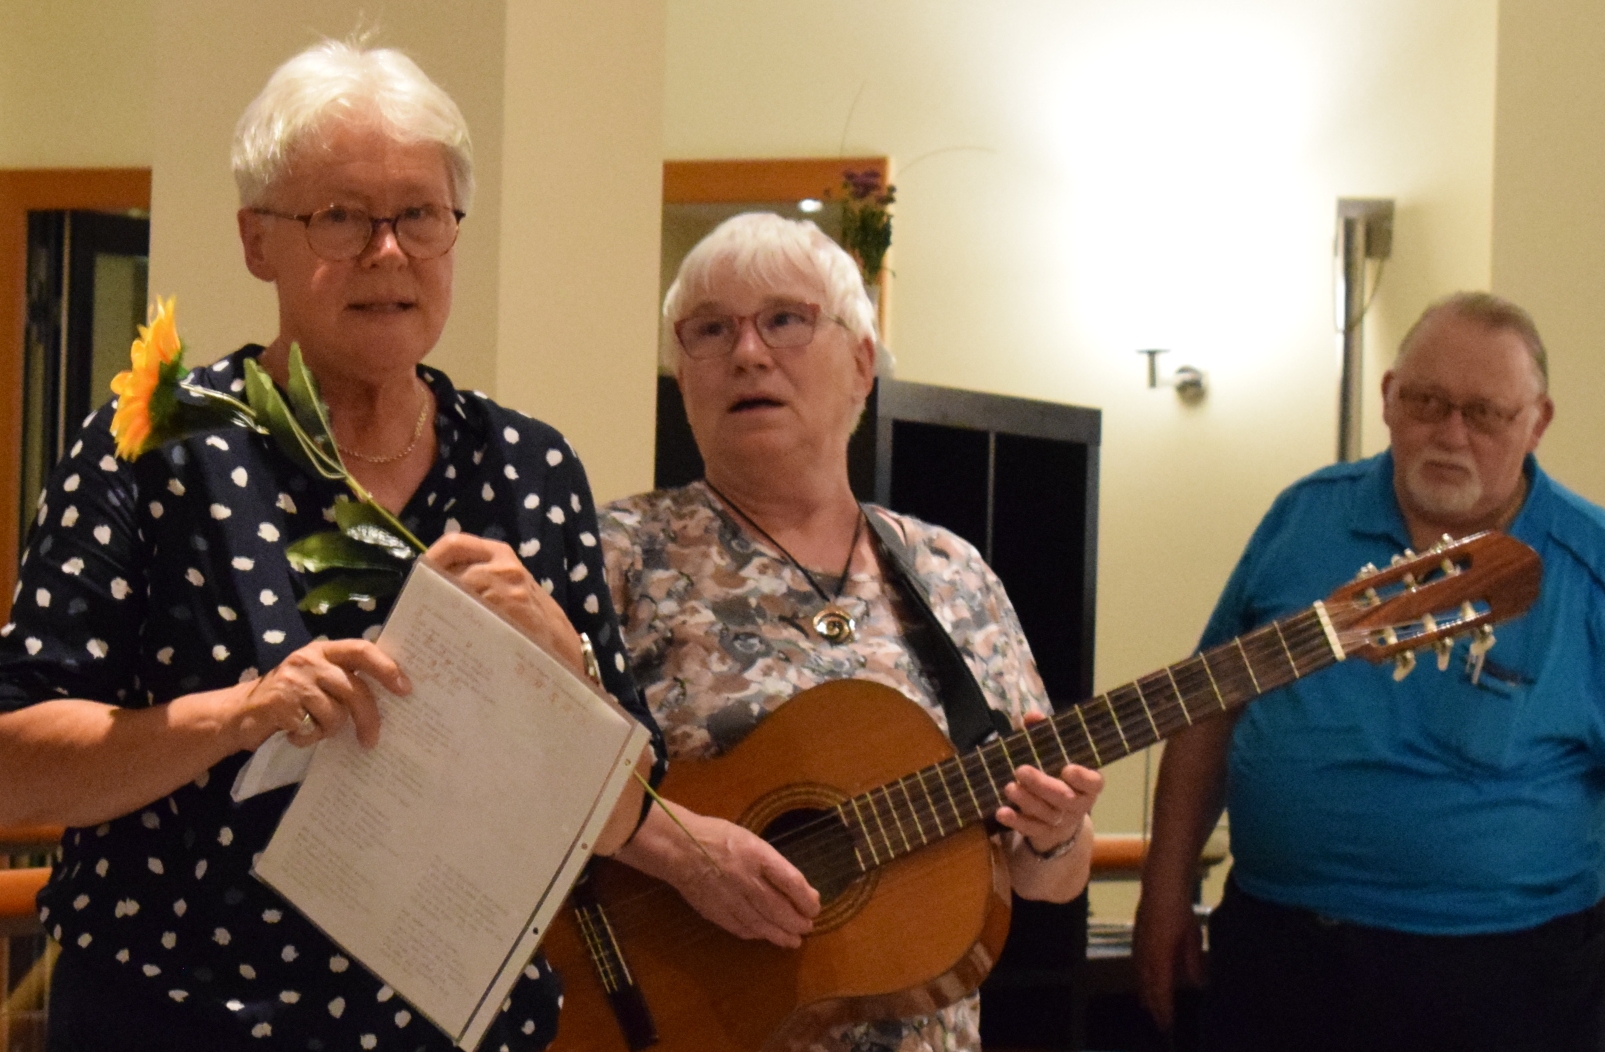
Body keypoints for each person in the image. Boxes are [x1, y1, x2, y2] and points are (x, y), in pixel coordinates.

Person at [0, 40, 659, 1052]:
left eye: (421, 215)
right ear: (256, 240)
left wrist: (562, 663)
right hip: (183, 1022)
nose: (388, 252)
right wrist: (237, 715)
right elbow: (15, 764)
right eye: (342, 217)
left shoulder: (528, 467)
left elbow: (621, 817)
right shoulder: (155, 449)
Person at [599, 212, 1103, 1052]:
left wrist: (1052, 836)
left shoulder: (951, 575)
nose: (747, 353)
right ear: (681, 376)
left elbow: (1047, 874)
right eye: (710, 330)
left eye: (785, 320)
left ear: (861, 364)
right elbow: (528, 780)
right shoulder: (615, 557)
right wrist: (681, 852)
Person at [1132, 292, 1605, 1052]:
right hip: (1277, 953)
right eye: (1426, 401)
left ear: (1537, 422)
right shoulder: (1303, 520)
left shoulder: (1589, 564)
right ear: (1387, 397)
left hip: (1507, 978)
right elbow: (1208, 707)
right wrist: (1163, 891)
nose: (1450, 432)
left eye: (1485, 414)